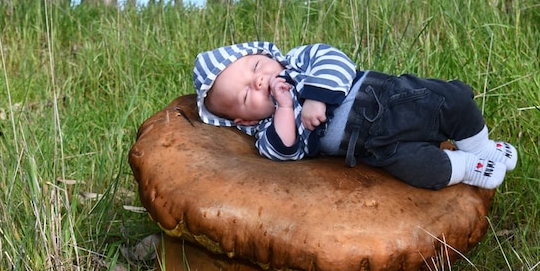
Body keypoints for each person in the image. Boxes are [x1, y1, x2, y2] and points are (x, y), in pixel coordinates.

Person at [193, 41, 517, 190]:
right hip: (371, 148)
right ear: (245, 121)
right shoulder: (269, 129)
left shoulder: (300, 62)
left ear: (265, 54)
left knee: (452, 99)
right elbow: (283, 152)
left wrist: (315, 99)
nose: (259, 80)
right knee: (423, 171)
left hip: (387, 98)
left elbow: (336, 60)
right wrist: (285, 107)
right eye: (247, 94)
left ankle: (481, 146)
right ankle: (466, 167)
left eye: (255, 67)